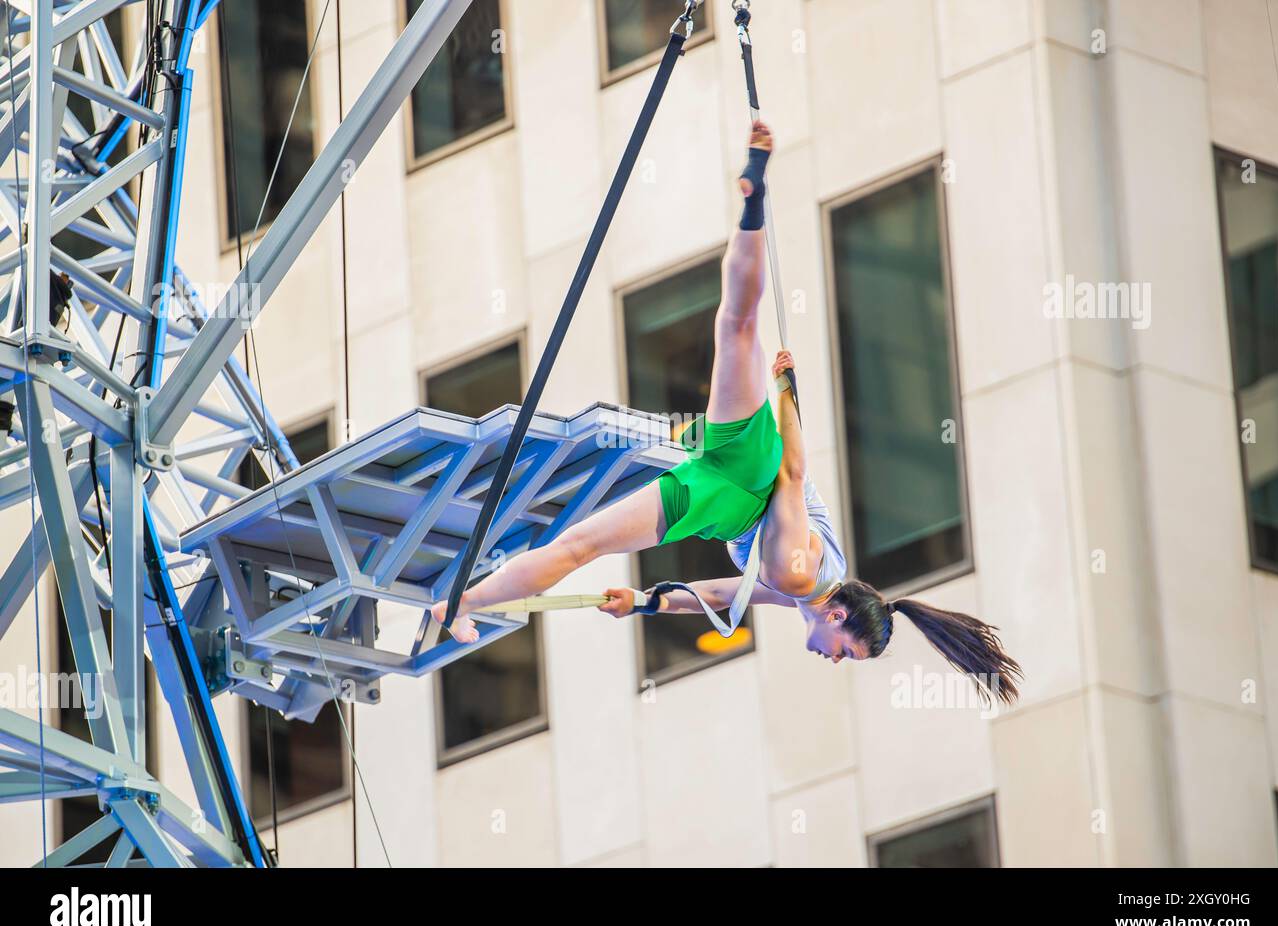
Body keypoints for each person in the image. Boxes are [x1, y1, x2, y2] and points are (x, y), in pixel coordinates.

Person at [434, 121, 1022, 705]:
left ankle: (754, 204)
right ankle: (462, 603)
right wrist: (788, 389)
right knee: (578, 546)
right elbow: (793, 477)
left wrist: (646, 602)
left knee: (736, 324)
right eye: (846, 649)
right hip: (735, 485)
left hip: (742, 466)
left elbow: (720, 595)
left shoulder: (807, 585)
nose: (834, 659)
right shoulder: (798, 574)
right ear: (838, 614)